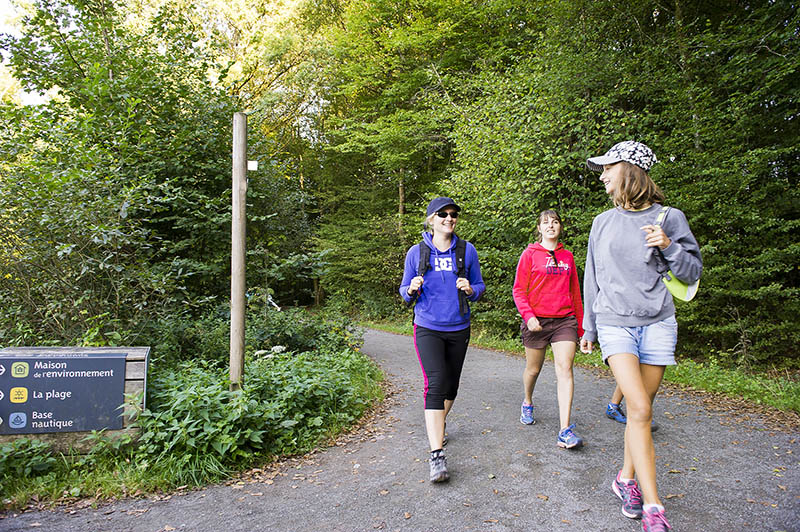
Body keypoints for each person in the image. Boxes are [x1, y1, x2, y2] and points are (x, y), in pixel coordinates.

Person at [580, 141, 702, 532]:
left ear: (629, 170)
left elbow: (691, 272)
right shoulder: (602, 222)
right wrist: (589, 327)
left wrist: (667, 247)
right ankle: (653, 508)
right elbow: (592, 277)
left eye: (607, 168)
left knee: (640, 411)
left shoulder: (670, 217)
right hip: (615, 322)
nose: (602, 176)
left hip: (659, 323)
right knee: (640, 408)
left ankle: (625, 480)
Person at [399, 196, 485, 483]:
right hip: (428, 326)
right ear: (431, 220)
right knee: (435, 384)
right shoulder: (417, 252)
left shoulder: (466, 250)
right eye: (443, 214)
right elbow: (403, 290)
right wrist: (411, 288)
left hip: (459, 326)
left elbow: (480, 286)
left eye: (453, 214)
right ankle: (437, 454)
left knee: (451, 385)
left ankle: (438, 423)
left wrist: (471, 289)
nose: (449, 218)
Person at [512, 209, 585, 449]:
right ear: (539, 229)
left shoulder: (568, 257)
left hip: (564, 321)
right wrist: (529, 316)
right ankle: (527, 400)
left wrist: (583, 330)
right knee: (533, 370)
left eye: (555, 222)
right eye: (545, 223)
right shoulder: (529, 254)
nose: (551, 225)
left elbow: (575, 293)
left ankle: (565, 429)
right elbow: (519, 290)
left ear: (560, 227)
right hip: (537, 322)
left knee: (565, 369)